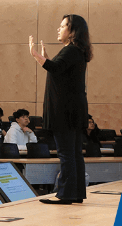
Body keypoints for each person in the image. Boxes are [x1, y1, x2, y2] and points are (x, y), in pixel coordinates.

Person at [30, 14, 92, 204]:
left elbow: (55, 68)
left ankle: (65, 194)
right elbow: (58, 70)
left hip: (64, 111)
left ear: (73, 31)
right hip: (73, 111)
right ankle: (76, 193)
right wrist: (47, 59)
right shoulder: (75, 51)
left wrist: (35, 55)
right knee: (73, 154)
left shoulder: (71, 50)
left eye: (63, 25)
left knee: (66, 154)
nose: (59, 29)